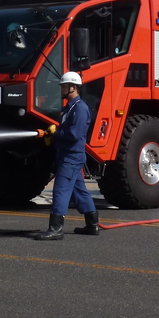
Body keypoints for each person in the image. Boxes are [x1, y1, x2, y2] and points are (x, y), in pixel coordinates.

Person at [36, 71, 99, 239]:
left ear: (73, 87)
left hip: (72, 157)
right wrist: (53, 135)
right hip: (66, 155)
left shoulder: (80, 108)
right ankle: (92, 225)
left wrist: (55, 133)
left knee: (61, 190)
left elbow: (74, 135)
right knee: (79, 191)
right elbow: (65, 131)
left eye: (64, 86)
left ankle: (56, 229)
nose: (62, 89)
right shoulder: (69, 108)